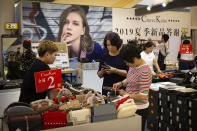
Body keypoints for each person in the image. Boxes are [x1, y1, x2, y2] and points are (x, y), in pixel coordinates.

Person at [113, 44, 152, 131]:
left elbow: (143, 96)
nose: (127, 64)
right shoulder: (134, 66)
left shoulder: (145, 71)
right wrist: (121, 83)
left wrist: (127, 94)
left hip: (139, 109)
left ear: (134, 58)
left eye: (127, 62)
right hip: (130, 104)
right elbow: (130, 78)